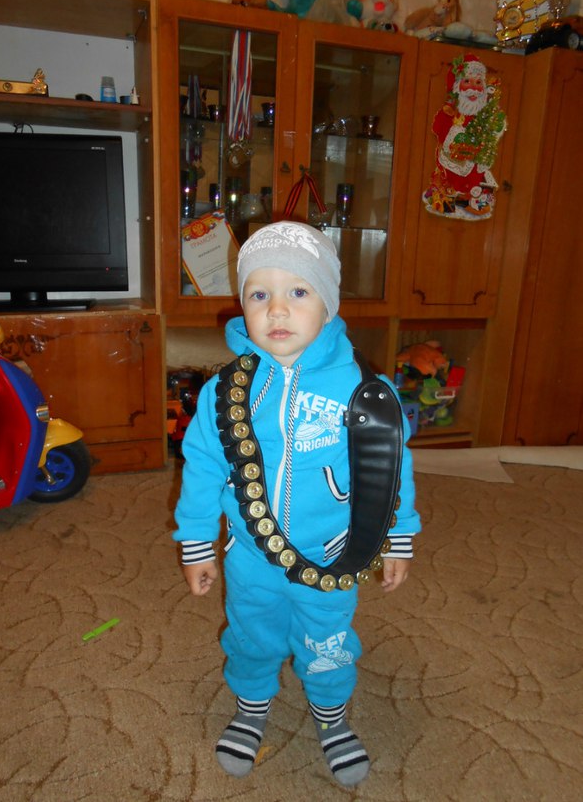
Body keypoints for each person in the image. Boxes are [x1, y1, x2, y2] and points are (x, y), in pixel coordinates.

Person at [173, 221, 420, 787]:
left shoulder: (362, 388)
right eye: (259, 294)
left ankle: (331, 716)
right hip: (250, 556)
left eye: (299, 292)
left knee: (327, 642)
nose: (277, 310)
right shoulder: (225, 391)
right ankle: (251, 705)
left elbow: (391, 470)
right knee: (250, 633)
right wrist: (196, 544)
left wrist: (399, 537)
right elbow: (203, 467)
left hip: (331, 557)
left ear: (328, 305)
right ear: (243, 304)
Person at [423, 53, 506, 219]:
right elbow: (437, 129)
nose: (473, 88)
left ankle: (470, 204)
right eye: (467, 81)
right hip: (450, 172)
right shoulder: (449, 114)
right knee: (447, 198)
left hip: (474, 177)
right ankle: (448, 202)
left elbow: (495, 132)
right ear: (457, 86)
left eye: (478, 83)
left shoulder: (486, 116)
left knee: (475, 198)